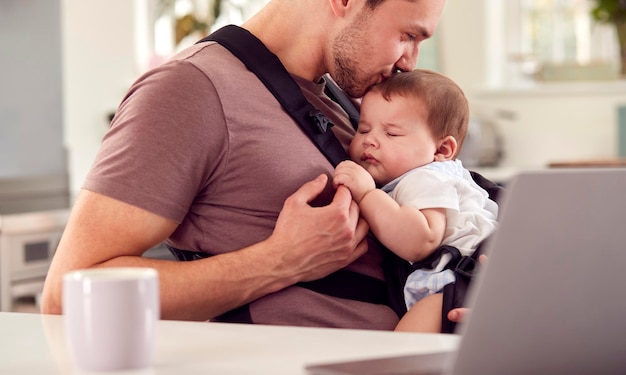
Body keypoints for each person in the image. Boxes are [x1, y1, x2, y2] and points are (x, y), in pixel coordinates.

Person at [41, 0, 475, 328]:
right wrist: (279, 261)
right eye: (409, 36)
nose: (409, 63)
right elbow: (66, 295)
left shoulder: (347, 101)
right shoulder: (188, 90)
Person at [333, 69, 498, 332]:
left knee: (405, 347)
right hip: (471, 276)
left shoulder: (424, 178)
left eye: (392, 134)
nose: (370, 141)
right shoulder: (429, 173)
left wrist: (366, 195)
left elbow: (421, 240)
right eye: (363, 129)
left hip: (462, 279)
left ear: (442, 150)